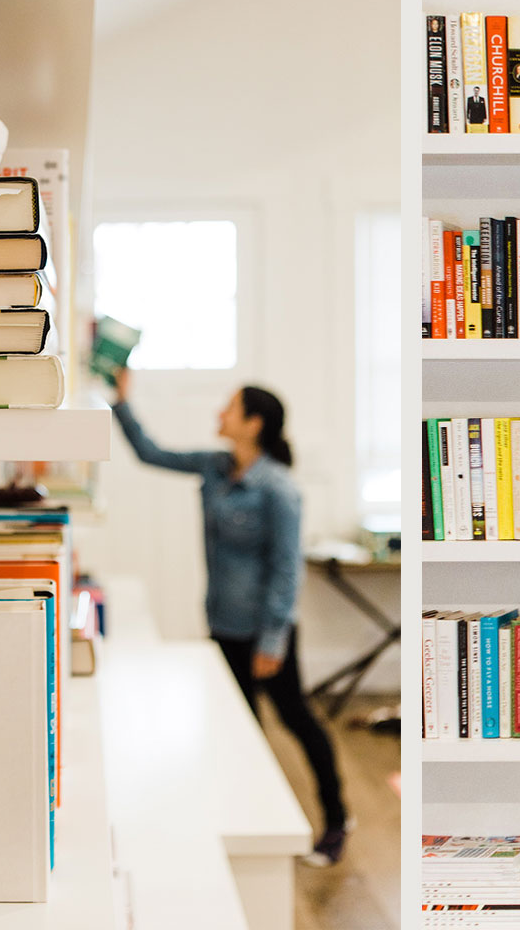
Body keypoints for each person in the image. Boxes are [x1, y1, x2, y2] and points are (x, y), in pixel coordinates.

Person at [110, 369, 351, 866]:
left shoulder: (278, 490)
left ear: (254, 423)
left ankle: (336, 819)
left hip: (263, 633)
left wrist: (271, 642)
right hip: (221, 623)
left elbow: (287, 571)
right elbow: (150, 453)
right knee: (240, 728)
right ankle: (247, 821)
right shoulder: (216, 467)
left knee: (297, 721)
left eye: (230, 407)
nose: (220, 413)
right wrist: (121, 401)